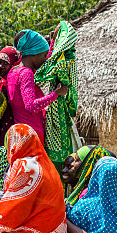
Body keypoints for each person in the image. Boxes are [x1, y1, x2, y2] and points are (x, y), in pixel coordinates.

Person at [0, 124, 67, 233]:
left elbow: (16, 206)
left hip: (40, 229)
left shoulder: (25, 165)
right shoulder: (44, 162)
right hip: (54, 225)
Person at [4, 30, 68, 144]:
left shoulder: (14, 71)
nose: (45, 59)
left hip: (21, 133)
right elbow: (31, 106)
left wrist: (52, 41)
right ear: (34, 53)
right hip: (32, 136)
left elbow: (45, 63)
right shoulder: (26, 73)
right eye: (43, 55)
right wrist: (56, 94)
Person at [34, 22, 78, 169]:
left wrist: (52, 43)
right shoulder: (69, 58)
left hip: (56, 108)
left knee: (56, 156)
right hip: (63, 107)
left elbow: (40, 76)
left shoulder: (60, 62)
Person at [0, 46, 21, 146]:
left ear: (14, 63)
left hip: (11, 121)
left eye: (6, 63)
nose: (1, 66)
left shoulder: (9, 82)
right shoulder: (4, 80)